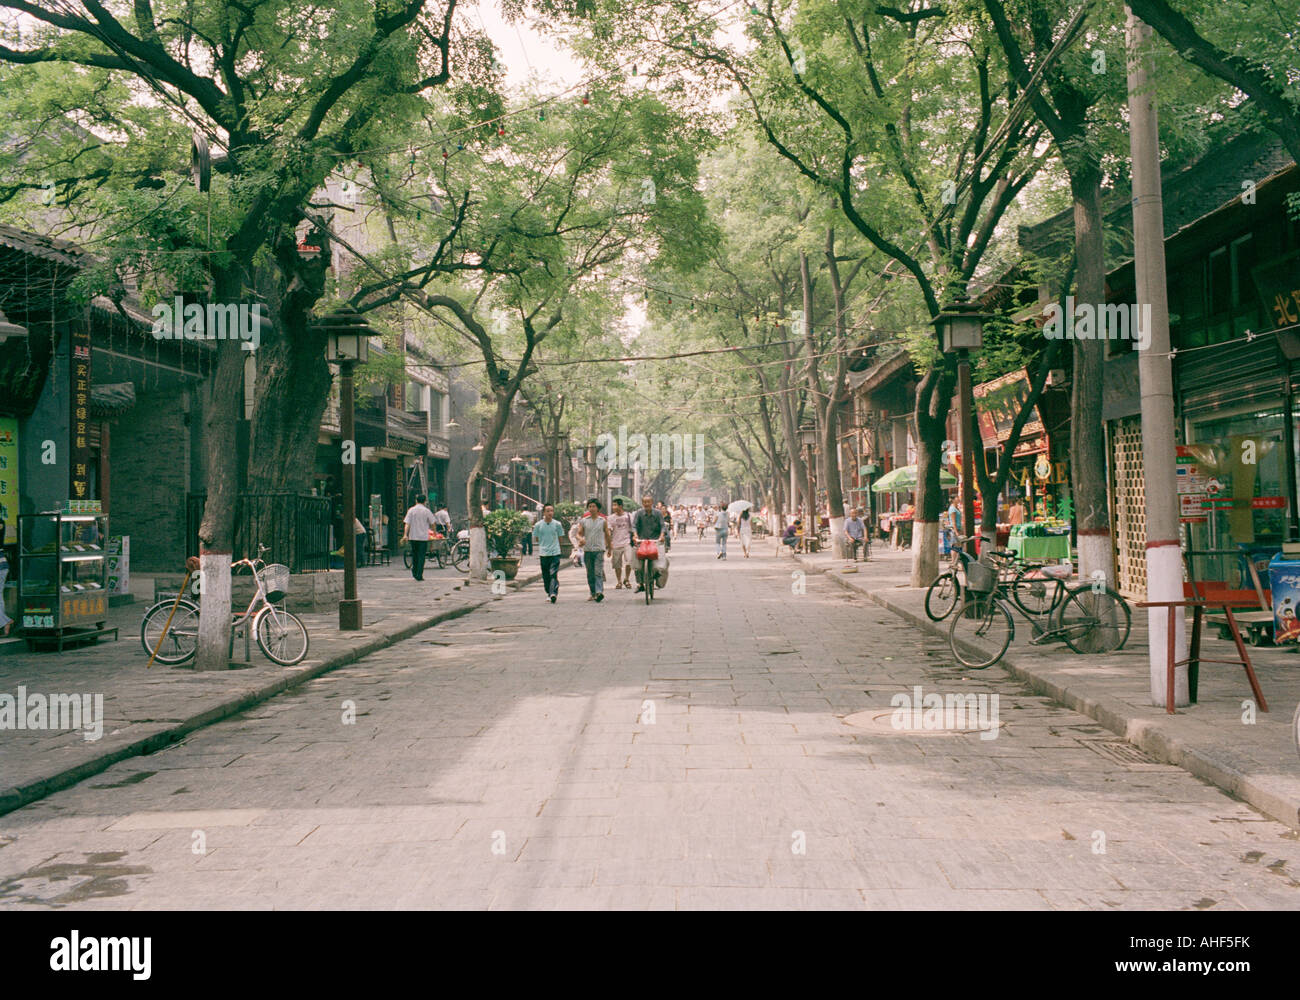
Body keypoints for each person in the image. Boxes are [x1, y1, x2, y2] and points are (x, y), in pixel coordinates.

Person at [576, 498, 612, 602]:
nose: (591, 508)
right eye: (590, 506)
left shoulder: (603, 521)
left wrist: (609, 548)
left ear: (598, 508)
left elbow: (607, 534)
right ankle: (593, 592)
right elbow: (578, 533)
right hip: (587, 550)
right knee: (590, 573)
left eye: (594, 506)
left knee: (598, 572)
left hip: (599, 550)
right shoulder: (584, 521)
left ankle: (599, 592)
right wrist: (580, 539)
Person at [631, 494, 666, 593]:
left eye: (648, 502)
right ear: (642, 503)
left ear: (652, 503)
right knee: (636, 563)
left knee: (659, 563)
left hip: (655, 541)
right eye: (645, 502)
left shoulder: (658, 513)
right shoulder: (639, 514)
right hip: (642, 541)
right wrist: (635, 535)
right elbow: (634, 526)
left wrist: (662, 536)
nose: (646, 504)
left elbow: (663, 526)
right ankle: (640, 583)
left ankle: (656, 574)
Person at [400, 494, 437, 581]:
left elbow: (407, 524)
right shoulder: (426, 511)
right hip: (423, 538)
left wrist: (405, 534)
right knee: (421, 556)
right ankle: (419, 574)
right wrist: (434, 533)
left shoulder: (411, 510)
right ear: (425, 501)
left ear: (416, 500)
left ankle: (414, 572)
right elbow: (433, 523)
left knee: (415, 555)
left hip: (413, 537)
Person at [532, 504, 564, 603]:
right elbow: (536, 538)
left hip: (555, 552)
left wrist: (558, 548)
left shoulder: (557, 524)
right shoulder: (538, 525)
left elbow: (560, 537)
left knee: (553, 574)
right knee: (546, 575)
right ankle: (549, 592)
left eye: (552, 511)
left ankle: (553, 593)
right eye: (548, 511)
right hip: (543, 553)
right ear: (544, 512)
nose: (550, 513)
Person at [608, 498, 635, 589]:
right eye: (613, 505)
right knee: (617, 564)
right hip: (615, 543)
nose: (613, 507)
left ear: (620, 506)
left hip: (627, 542)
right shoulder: (611, 518)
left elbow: (633, 528)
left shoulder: (629, 516)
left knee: (629, 561)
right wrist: (609, 543)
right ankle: (619, 581)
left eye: (615, 505)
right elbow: (609, 531)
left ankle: (626, 579)